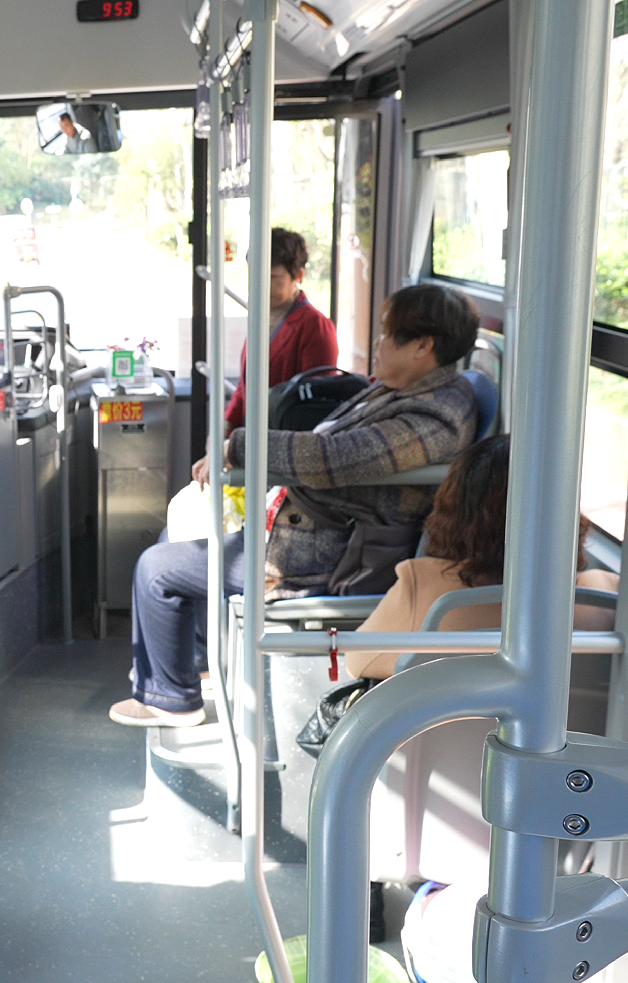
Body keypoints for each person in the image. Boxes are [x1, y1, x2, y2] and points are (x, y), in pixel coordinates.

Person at [110, 283, 480, 727]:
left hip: (328, 555)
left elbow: (334, 457)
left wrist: (238, 447)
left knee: (156, 569)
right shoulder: (405, 392)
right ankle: (195, 665)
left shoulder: (433, 417)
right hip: (310, 529)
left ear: (423, 346)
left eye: (387, 334)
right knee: (173, 537)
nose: (378, 344)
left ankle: (169, 700)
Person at [345, 434, 620, 680]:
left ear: (454, 512)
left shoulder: (422, 586)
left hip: (450, 724)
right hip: (575, 725)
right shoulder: (609, 592)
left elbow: (358, 660)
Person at [225, 227, 340, 429]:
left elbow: (316, 407)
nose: (259, 283)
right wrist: (226, 425)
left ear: (299, 276)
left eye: (271, 277)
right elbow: (246, 386)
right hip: (252, 436)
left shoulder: (315, 327)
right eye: (254, 273)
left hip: (283, 440)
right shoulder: (260, 318)